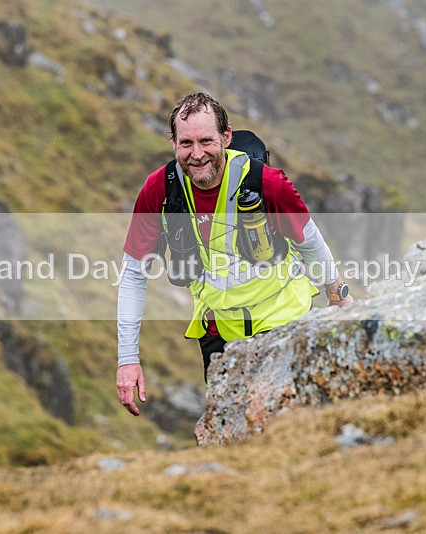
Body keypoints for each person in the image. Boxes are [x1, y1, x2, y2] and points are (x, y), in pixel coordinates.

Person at [116, 92, 353, 416]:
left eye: (206, 141)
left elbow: (309, 243)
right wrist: (128, 359)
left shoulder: (268, 183)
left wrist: (339, 298)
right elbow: (133, 274)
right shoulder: (159, 189)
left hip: (284, 320)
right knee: (232, 431)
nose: (197, 154)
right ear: (172, 142)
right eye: (186, 143)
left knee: (287, 424)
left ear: (226, 137)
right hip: (218, 333)